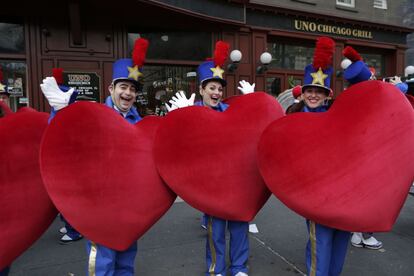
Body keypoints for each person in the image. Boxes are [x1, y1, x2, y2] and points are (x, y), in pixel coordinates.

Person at [40, 38, 149, 276]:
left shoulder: (140, 123)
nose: (128, 93)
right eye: (123, 87)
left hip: (130, 204)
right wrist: (59, 114)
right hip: (99, 204)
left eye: (133, 89)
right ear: (111, 89)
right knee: (103, 261)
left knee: (126, 258)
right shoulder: (94, 116)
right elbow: (63, 141)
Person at [166, 41, 251, 276]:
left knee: (239, 225)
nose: (216, 93)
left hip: (234, 179)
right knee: (215, 230)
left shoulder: (231, 112)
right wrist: (180, 119)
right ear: (202, 89)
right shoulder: (190, 110)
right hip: (209, 181)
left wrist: (252, 104)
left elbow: (249, 134)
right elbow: (178, 147)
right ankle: (217, 269)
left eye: (219, 89)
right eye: (211, 87)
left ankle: (240, 267)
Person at [287, 37, 351, 276]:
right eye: (310, 91)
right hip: (315, 192)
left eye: (319, 92)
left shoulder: (338, 116)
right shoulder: (292, 120)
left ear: (327, 95)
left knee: (341, 238)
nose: (314, 95)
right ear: (302, 94)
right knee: (320, 242)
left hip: (343, 189)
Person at [341, 46, 383, 250]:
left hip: (358, 155)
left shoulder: (350, 100)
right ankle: (363, 232)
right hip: (364, 156)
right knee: (368, 196)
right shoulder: (370, 101)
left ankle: (357, 231)